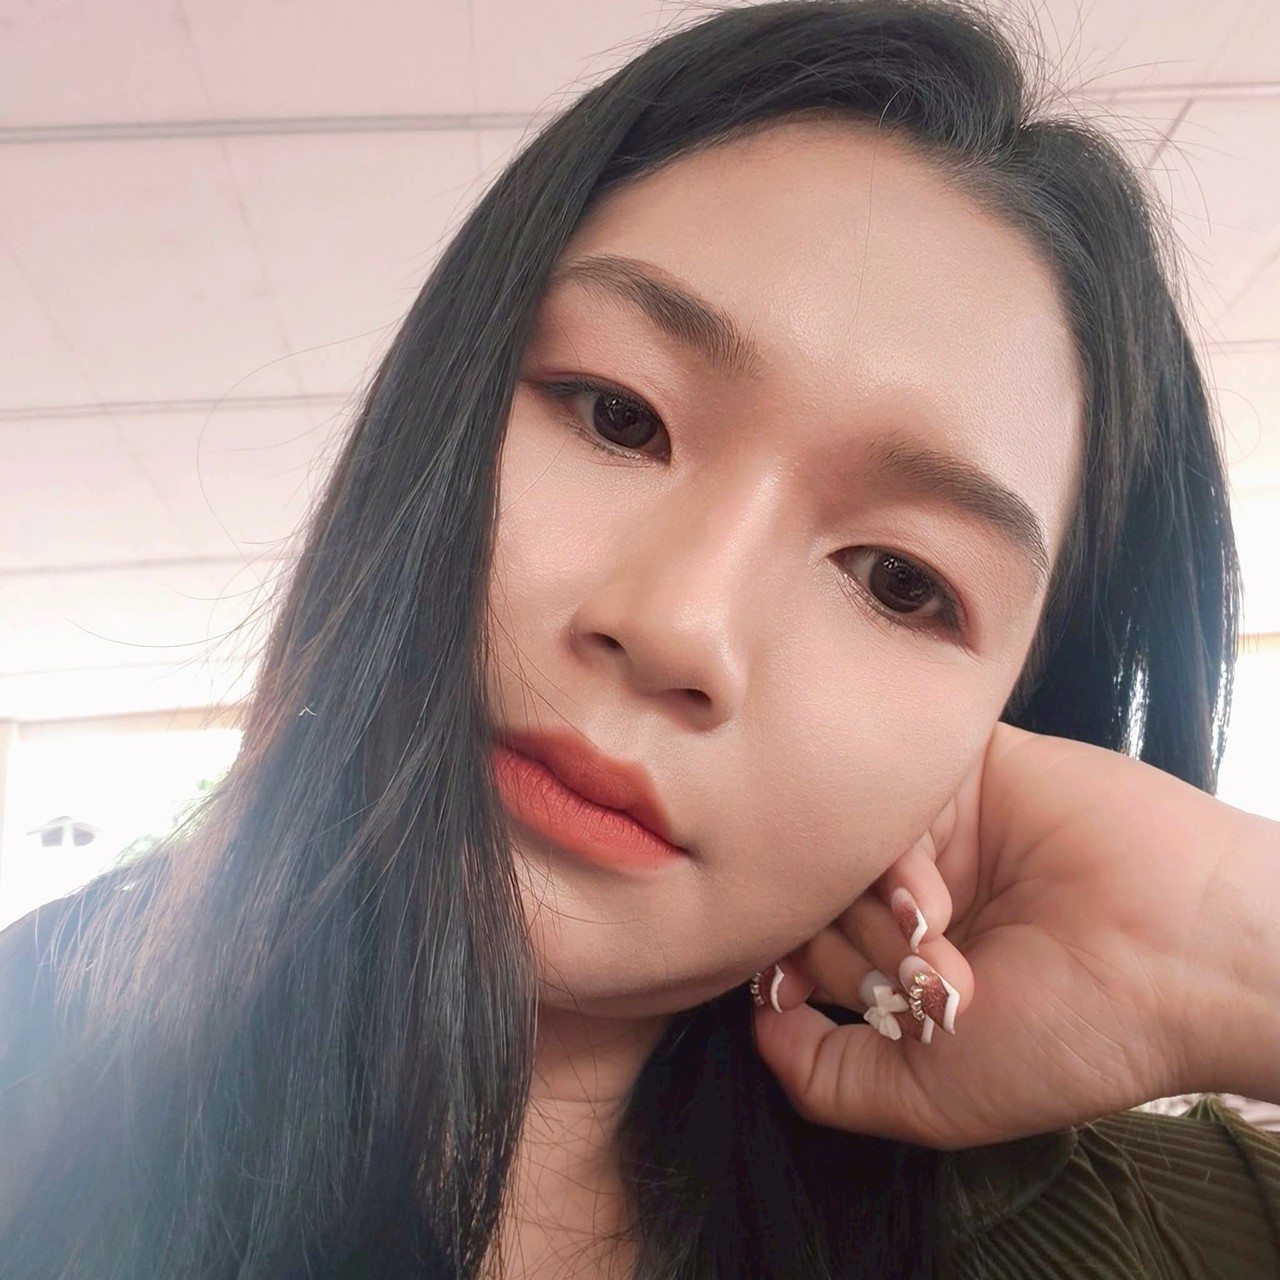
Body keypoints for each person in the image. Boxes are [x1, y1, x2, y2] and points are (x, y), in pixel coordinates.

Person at [1, 0, 1278, 1275]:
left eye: (897, 581)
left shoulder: (1164, 1235)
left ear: (999, 724)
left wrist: (1228, 946)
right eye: (617, 416)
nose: (678, 627)